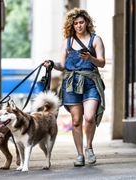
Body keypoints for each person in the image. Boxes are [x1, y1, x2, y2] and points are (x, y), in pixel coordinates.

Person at [44, 8, 105, 167]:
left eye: (81, 22)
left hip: (90, 81)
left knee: (89, 117)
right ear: (72, 25)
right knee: (76, 120)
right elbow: (62, 65)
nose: (79, 25)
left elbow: (102, 62)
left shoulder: (95, 39)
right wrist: (51, 64)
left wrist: (90, 58)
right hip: (71, 83)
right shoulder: (68, 42)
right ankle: (79, 155)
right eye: (76, 23)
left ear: (87, 22)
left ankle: (89, 147)